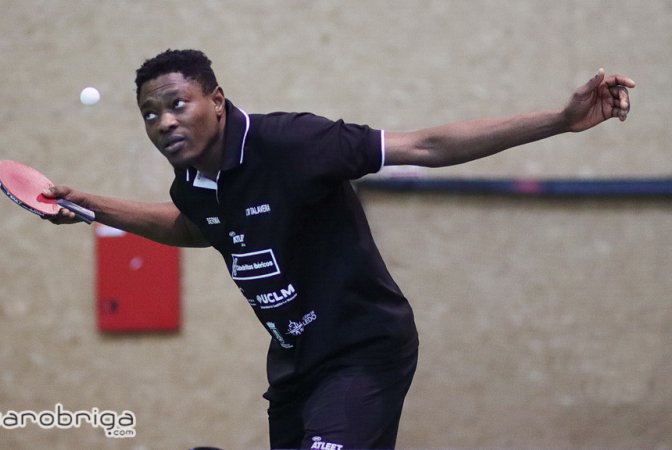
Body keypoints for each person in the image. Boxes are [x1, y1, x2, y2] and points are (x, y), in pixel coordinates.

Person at [44, 49, 635, 449]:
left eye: (178, 104)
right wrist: (91, 206)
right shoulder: (193, 185)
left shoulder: (296, 142)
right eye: (150, 114)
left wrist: (561, 119)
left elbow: (426, 146)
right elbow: (193, 226)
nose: (164, 122)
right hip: (295, 365)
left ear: (217, 100)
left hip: (364, 349)